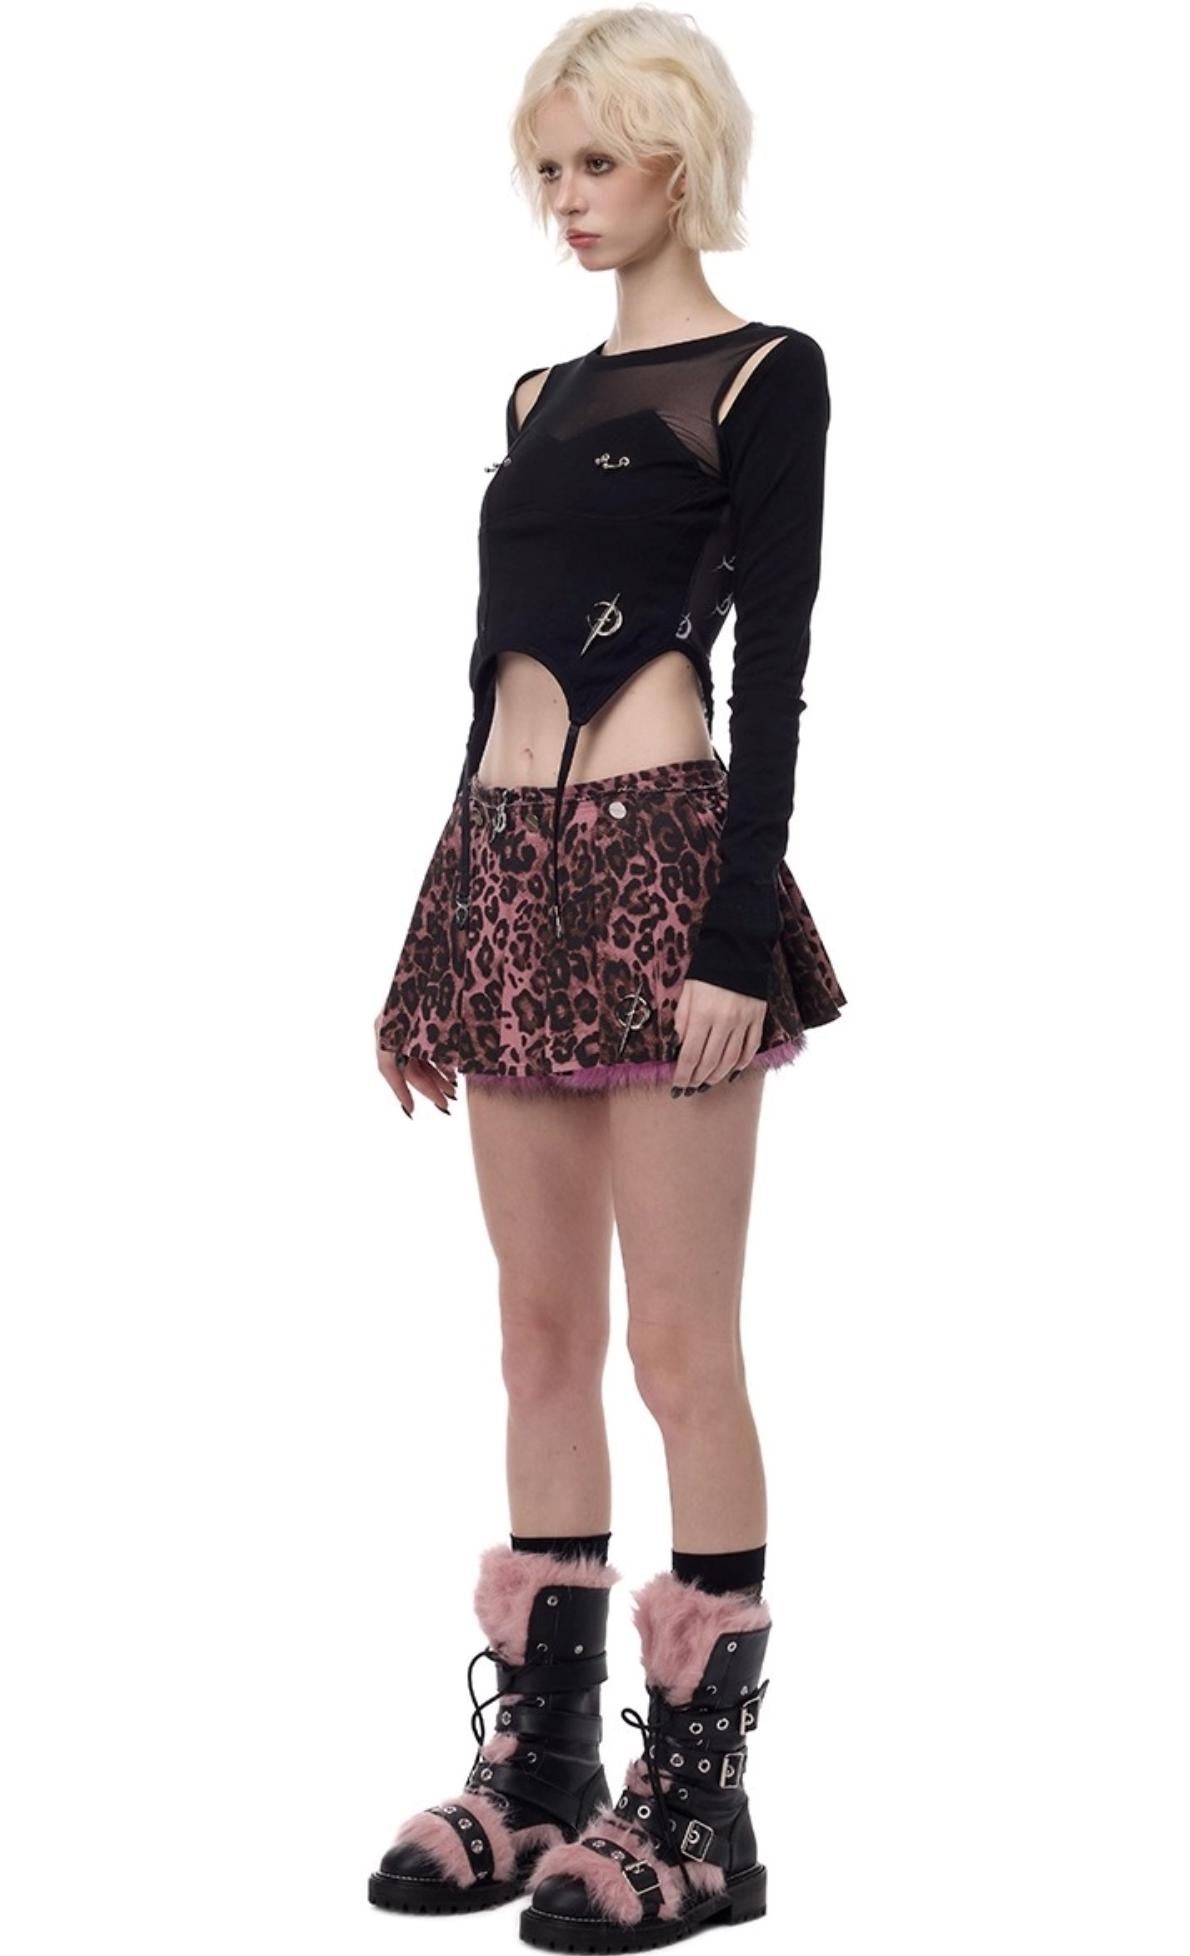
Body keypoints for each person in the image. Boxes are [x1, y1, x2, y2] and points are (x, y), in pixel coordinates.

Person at [368, 8, 846, 1944]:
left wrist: (737, 933)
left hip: (664, 875)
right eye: (547, 167)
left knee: (679, 1351)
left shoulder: (765, 375)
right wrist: (434, 944)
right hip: (504, 874)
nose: (566, 200)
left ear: (678, 158)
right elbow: (483, 681)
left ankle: (702, 1814)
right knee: (537, 1337)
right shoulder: (531, 397)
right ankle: (545, 1772)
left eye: (598, 162)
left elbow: (778, 675)